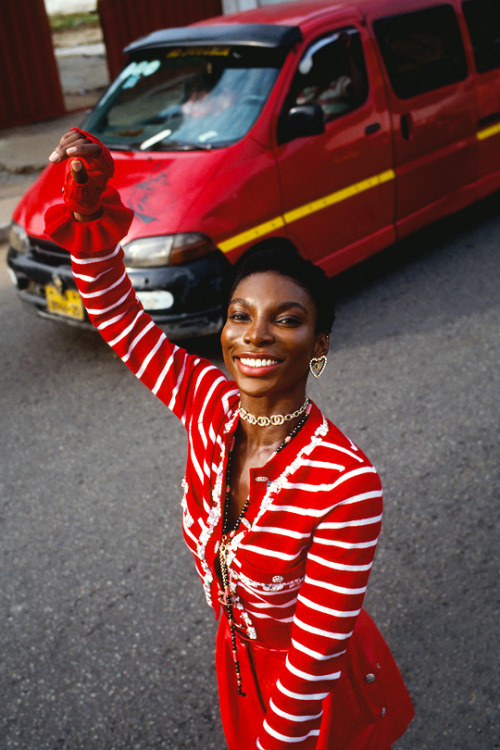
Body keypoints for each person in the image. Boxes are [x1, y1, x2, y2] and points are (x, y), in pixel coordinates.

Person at [46, 129, 414, 749]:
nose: (256, 335)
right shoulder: (206, 401)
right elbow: (117, 316)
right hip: (240, 660)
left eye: (287, 319)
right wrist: (90, 210)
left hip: (312, 692)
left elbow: (315, 660)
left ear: (318, 346)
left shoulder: (347, 486)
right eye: (241, 315)